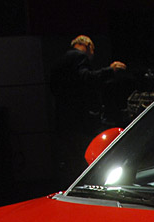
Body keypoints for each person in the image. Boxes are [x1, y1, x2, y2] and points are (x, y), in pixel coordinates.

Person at [50, 35, 125, 183]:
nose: (93, 55)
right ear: (88, 46)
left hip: (64, 119)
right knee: (84, 156)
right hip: (80, 120)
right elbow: (86, 78)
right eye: (93, 50)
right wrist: (110, 70)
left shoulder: (60, 61)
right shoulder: (79, 57)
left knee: (71, 160)